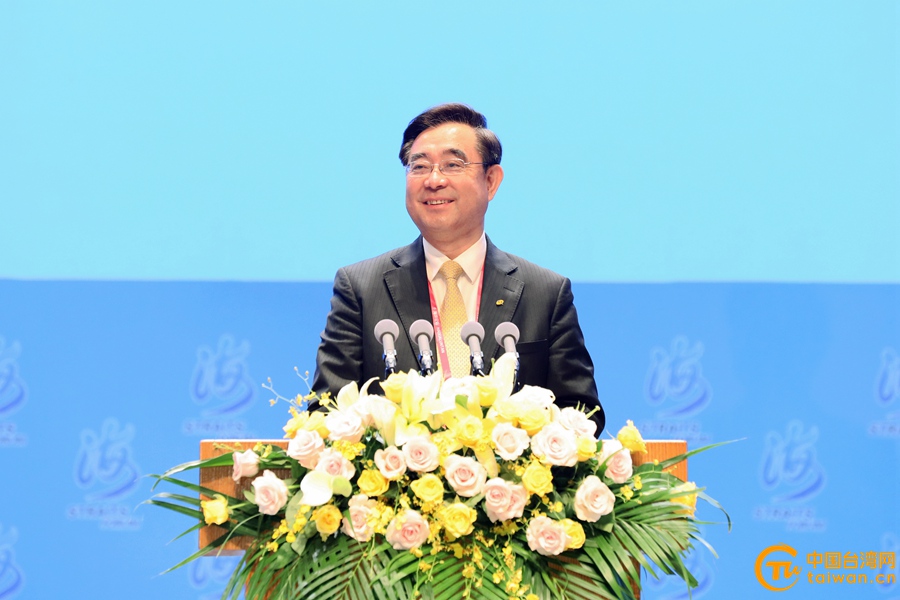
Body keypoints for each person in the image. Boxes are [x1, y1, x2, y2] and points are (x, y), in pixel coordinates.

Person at [312, 103, 604, 431]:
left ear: (491, 181)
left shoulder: (545, 293)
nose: (434, 180)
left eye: (453, 165)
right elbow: (326, 412)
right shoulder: (361, 288)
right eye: (419, 166)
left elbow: (582, 415)